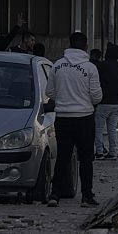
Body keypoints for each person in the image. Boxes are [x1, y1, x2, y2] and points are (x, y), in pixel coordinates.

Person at [46, 32, 102, 208]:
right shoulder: (90, 68)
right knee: (86, 159)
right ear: (85, 46)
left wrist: (64, 99)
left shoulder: (57, 65)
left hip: (62, 118)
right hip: (84, 118)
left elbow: (50, 92)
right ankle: (86, 196)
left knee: (63, 157)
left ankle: (55, 195)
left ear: (69, 45)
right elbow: (96, 96)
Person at [94, 43, 118, 160]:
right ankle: (113, 152)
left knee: (98, 128)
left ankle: (99, 152)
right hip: (117, 102)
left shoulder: (101, 66)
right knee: (112, 129)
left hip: (103, 102)